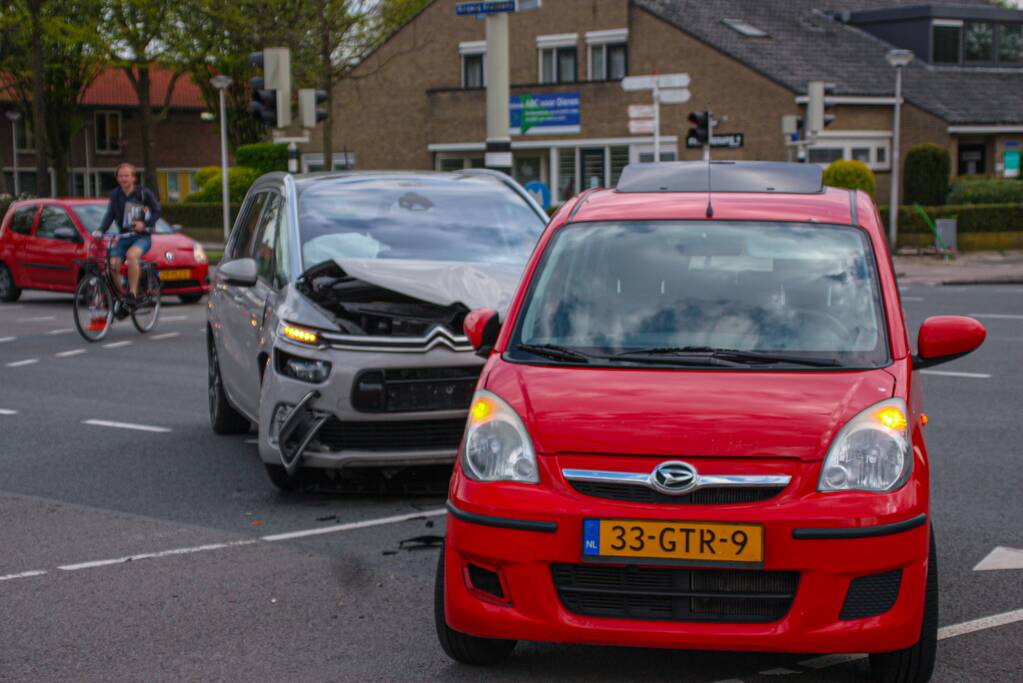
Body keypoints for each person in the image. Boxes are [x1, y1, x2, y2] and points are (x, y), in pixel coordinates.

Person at [94, 162, 161, 303]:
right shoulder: (115, 195)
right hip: (124, 237)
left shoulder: (143, 193)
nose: (123, 179)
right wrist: (101, 230)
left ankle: (133, 293)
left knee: (132, 255)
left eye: (126, 176)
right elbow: (110, 214)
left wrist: (145, 224)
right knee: (113, 265)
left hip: (141, 237)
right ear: (117, 178)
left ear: (133, 178)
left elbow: (157, 211)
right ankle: (122, 296)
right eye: (120, 176)